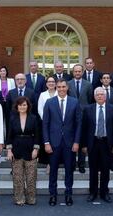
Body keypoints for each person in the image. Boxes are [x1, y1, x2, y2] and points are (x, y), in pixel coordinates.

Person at [43, 78, 81, 206]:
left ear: (67, 87)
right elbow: (45, 124)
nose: (61, 89)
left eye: (63, 87)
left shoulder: (75, 102)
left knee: (69, 171)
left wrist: (76, 142)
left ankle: (68, 194)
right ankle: (53, 195)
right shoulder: (49, 102)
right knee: (53, 171)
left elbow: (78, 124)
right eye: (59, 87)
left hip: (69, 143)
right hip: (54, 143)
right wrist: (46, 142)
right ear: (55, 88)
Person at [81, 87, 113, 203]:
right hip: (93, 142)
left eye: (102, 94)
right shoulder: (88, 109)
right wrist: (84, 145)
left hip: (106, 143)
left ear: (105, 96)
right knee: (93, 170)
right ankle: (92, 192)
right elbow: (84, 128)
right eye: (97, 94)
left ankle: (104, 193)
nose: (100, 96)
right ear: (94, 96)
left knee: (105, 170)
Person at [6, 97, 40, 205]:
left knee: (31, 177)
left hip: (30, 149)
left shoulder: (34, 118)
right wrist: (9, 150)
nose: (22, 107)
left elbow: (38, 135)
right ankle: (19, 199)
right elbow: (9, 135)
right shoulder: (12, 118)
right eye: (20, 105)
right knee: (17, 177)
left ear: (28, 106)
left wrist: (36, 149)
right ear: (17, 106)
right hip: (16, 149)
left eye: (24, 105)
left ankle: (31, 199)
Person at [68, 64, 93, 173]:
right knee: (72, 140)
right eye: (75, 71)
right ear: (73, 73)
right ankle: (72, 164)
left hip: (84, 116)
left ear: (82, 72)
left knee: (82, 141)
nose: (77, 73)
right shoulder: (68, 84)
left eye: (79, 71)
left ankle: (81, 165)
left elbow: (90, 99)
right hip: (71, 116)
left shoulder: (88, 84)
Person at [100, 72, 113, 172]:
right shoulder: (97, 91)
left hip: (111, 120)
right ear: (101, 80)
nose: (106, 79)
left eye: (108, 78)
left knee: (110, 143)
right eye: (104, 78)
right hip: (100, 119)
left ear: (110, 80)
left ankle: (111, 164)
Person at [37, 76, 57, 173]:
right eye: (49, 82)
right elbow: (40, 109)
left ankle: (55, 163)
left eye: (53, 81)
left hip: (58, 124)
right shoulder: (42, 95)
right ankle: (49, 164)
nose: (51, 83)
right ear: (46, 84)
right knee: (48, 143)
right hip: (46, 123)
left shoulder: (59, 93)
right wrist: (46, 119)